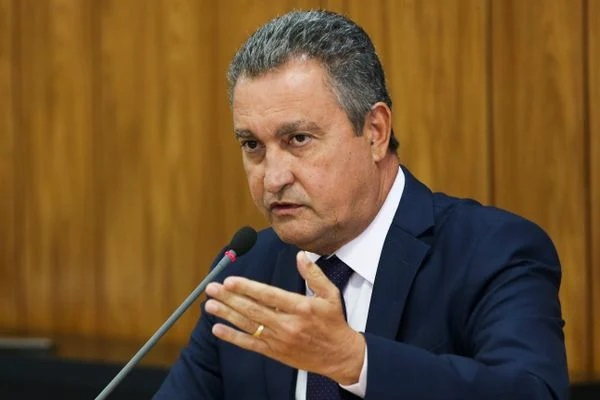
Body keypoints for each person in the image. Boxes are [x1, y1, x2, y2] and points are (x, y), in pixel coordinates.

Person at [155, 10, 568, 400]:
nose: (273, 178)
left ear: (375, 132)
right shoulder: (245, 272)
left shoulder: (492, 252)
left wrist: (355, 361)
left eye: (298, 139)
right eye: (252, 145)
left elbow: (533, 392)